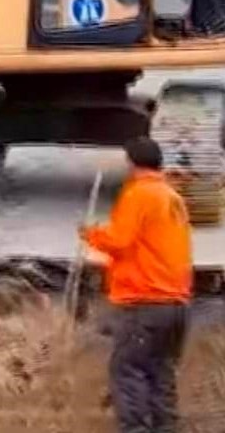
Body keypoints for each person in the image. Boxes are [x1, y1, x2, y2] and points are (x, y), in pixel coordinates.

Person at [80, 136, 193, 433]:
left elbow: (119, 240)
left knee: (127, 371)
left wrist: (91, 234)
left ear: (131, 163)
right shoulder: (171, 196)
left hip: (145, 303)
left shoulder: (139, 194)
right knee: (160, 372)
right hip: (176, 305)